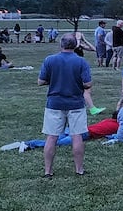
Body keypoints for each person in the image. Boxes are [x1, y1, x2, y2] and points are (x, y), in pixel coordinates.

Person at [39, 35, 92, 177]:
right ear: (75, 46)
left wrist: (54, 80)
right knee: (77, 136)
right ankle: (79, 170)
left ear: (60, 45)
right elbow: (87, 84)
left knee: (51, 137)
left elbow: (40, 81)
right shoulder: (81, 62)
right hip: (76, 103)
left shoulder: (50, 60)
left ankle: (48, 171)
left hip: (54, 103)